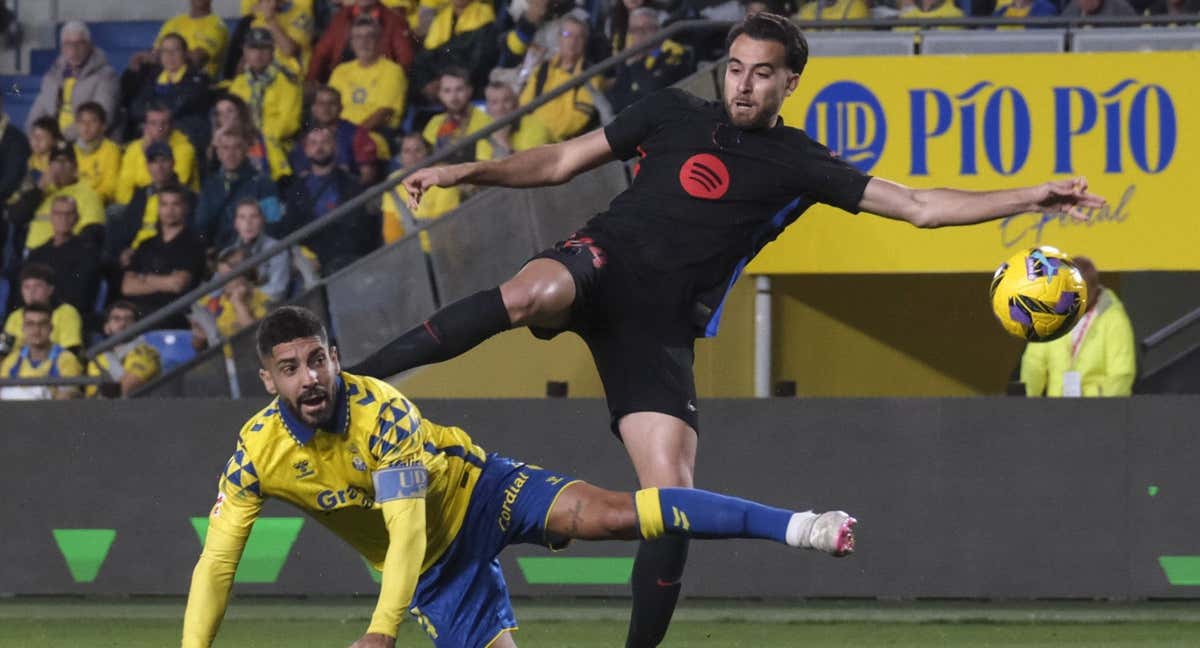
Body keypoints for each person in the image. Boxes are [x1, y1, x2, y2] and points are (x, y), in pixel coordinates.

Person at [354, 13, 1107, 647]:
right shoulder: (669, 113)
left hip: (658, 330)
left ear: (789, 82)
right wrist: (464, 173)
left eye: (761, 73)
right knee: (532, 291)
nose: (743, 83)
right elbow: (561, 160)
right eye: (736, 68)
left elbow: (919, 206)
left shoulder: (799, 163)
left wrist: (1031, 195)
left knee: (671, 502)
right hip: (601, 263)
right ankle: (362, 376)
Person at [180, 305, 856, 648]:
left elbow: (405, 529)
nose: (311, 378)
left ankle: (800, 526)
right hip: (437, 576)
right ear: (269, 381)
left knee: (617, 514)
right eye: (291, 369)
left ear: (334, 357)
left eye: (317, 360)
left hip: (483, 493)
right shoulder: (256, 453)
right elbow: (217, 563)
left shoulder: (381, 411)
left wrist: (383, 631)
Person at [1020, 256, 1135, 398]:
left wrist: (1087, 399)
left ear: (1093, 289)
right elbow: (1033, 365)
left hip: (1098, 414)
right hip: (1056, 412)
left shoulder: (1114, 319)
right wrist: (1026, 403)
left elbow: (1121, 376)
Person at [281, 126, 376, 275]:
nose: (319, 147)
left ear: (335, 147)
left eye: (325, 142)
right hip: (314, 264)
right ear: (306, 150)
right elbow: (291, 229)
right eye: (313, 143)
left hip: (349, 259)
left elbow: (360, 229)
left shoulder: (351, 184)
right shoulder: (296, 191)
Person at [121, 183, 207, 329]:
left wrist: (144, 279)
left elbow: (177, 284)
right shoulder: (145, 245)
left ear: (185, 208)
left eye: (175, 204)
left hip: (172, 315)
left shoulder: (193, 244)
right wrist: (164, 281)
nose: (169, 210)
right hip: (138, 312)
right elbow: (127, 287)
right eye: (164, 204)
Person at [25, 21, 119, 142]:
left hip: (85, 143)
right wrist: (34, 134)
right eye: (67, 44)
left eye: (79, 43)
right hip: (52, 142)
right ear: (62, 47)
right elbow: (37, 112)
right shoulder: (53, 76)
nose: (73, 50)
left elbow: (102, 117)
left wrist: (60, 139)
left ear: (89, 45)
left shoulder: (106, 76)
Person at [518, 12, 602, 142]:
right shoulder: (543, 69)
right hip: (530, 136)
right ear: (559, 38)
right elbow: (524, 104)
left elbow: (577, 120)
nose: (573, 41)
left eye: (579, 37)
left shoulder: (590, 74)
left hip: (560, 144)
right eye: (567, 35)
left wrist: (542, 131)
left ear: (585, 42)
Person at [196, 129, 284, 249]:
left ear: (245, 150)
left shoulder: (264, 183)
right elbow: (202, 225)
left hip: (255, 254)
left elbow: (273, 225)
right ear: (218, 153)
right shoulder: (209, 186)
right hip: (219, 256)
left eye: (236, 148)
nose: (230, 153)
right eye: (225, 148)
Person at [229, 28, 304, 169]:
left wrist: (257, 140)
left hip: (278, 147)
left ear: (273, 51)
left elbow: (289, 123)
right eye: (253, 49)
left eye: (264, 49)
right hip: (243, 145)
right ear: (245, 52)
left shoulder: (287, 81)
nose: (258, 54)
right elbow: (231, 118)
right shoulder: (238, 83)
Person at [128, 32, 213, 155]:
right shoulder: (153, 76)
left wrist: (153, 110)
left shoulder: (197, 79)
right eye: (165, 51)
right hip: (153, 133)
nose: (170, 55)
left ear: (185, 53)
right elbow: (136, 107)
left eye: (175, 50)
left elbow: (176, 106)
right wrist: (154, 117)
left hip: (184, 135)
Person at [605, 8, 695, 114]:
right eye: (635, 30)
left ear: (658, 29)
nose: (640, 34)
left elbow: (656, 90)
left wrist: (636, 65)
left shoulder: (673, 51)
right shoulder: (632, 59)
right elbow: (614, 101)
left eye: (647, 28)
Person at [327, 17, 409, 133]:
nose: (363, 42)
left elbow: (384, 112)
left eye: (369, 36)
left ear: (380, 41)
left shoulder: (392, 71)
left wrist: (354, 135)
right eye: (358, 37)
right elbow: (329, 106)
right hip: (340, 133)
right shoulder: (340, 71)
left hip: (375, 132)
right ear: (352, 43)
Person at [24, 195, 102, 314]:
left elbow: (81, 296)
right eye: (58, 213)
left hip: (67, 314)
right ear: (51, 217)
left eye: (69, 214)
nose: (63, 218)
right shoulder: (36, 254)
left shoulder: (88, 253)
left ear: (77, 218)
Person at [308, 0, 415, 85]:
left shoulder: (394, 20)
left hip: (378, 80)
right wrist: (311, 81)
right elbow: (321, 53)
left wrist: (393, 82)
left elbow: (405, 60)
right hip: (344, 80)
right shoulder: (341, 17)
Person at [116, 102, 199, 205]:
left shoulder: (185, 149)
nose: (159, 128)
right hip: (139, 203)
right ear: (145, 126)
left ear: (172, 126)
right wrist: (134, 207)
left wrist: (147, 154)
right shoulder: (134, 148)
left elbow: (171, 185)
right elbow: (123, 187)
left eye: (164, 123)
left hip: (175, 205)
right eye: (153, 123)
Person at [0, 303, 83, 400]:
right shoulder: (12, 361)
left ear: (51, 328)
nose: (36, 330)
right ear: (23, 328)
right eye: (30, 324)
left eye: (42, 324)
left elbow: (67, 396)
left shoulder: (67, 359)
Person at [2, 263, 84, 355]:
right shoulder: (15, 316)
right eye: (26, 287)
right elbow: (4, 352)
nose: (31, 292)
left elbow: (71, 352)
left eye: (38, 286)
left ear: (50, 289)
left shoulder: (67, 313)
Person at [221, 198, 292, 303]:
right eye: (242, 217)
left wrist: (248, 294)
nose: (248, 223)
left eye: (253, 216)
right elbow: (217, 290)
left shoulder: (276, 248)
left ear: (262, 220)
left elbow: (278, 290)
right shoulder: (226, 254)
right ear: (236, 223)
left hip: (265, 308)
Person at [86, 300, 161, 398]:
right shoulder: (97, 358)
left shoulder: (147, 351)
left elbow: (128, 387)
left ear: (137, 326)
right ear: (106, 327)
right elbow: (92, 396)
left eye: (128, 319)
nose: (122, 324)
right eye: (116, 319)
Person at [423, 67, 493, 163]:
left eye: (459, 89)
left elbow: (483, 164)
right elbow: (424, 160)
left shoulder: (484, 121)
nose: (454, 97)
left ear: (469, 91)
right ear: (440, 94)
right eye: (447, 91)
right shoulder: (435, 123)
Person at [290, 85, 358, 175]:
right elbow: (302, 174)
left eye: (332, 103)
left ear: (341, 108)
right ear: (313, 109)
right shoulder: (305, 138)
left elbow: (367, 174)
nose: (326, 108)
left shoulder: (356, 134)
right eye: (321, 103)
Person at [153, 0, 230, 79]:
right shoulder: (173, 22)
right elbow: (155, 54)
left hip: (198, 83)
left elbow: (197, 59)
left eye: (177, 50)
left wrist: (166, 54)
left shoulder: (217, 26)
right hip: (164, 81)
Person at [482, 77, 551, 158]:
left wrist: (502, 140)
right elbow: (483, 165)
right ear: (488, 108)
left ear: (516, 103)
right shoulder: (484, 130)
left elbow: (528, 167)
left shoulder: (535, 126)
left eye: (506, 100)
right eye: (494, 102)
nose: (501, 107)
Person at [72, 102, 123, 204]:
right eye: (82, 122)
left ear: (103, 126)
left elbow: (110, 186)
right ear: (77, 125)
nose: (86, 126)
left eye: (93, 121)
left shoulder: (111, 150)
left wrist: (89, 200)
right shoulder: (71, 150)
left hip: (99, 203)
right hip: (73, 200)